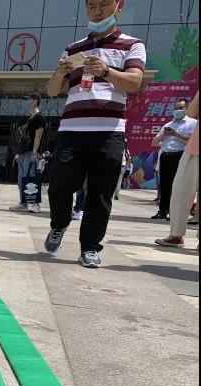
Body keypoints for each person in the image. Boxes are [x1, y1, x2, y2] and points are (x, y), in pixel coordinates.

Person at [44, 0, 146, 269]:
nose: (97, 11)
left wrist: (106, 71)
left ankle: (90, 247)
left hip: (108, 132)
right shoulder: (74, 48)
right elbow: (52, 90)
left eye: (104, 4)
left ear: (118, 6)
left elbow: (134, 82)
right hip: (71, 130)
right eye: (92, 5)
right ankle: (59, 224)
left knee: (100, 193)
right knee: (59, 185)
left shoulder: (132, 44)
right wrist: (60, 72)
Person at [156, 91, 199, 248]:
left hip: (190, 150)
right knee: (180, 192)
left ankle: (177, 235)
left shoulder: (190, 122)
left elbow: (192, 112)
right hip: (194, 149)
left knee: (180, 191)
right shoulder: (171, 123)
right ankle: (176, 234)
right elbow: (193, 110)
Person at [150, 98, 197, 220]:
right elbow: (154, 141)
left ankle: (174, 213)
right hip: (165, 155)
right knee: (164, 184)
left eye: (180, 108)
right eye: (176, 108)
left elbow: (192, 140)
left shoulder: (192, 123)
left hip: (180, 155)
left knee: (178, 185)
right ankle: (162, 211)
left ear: (186, 109)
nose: (177, 110)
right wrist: (163, 135)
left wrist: (175, 134)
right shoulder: (168, 124)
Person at [10, 93, 45, 213]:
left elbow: (38, 137)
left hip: (31, 153)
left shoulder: (39, 118)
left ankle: (35, 204)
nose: (26, 102)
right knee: (22, 179)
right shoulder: (30, 118)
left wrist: (34, 153)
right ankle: (23, 203)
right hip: (23, 153)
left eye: (28, 100)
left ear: (35, 101)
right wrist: (18, 153)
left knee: (31, 178)